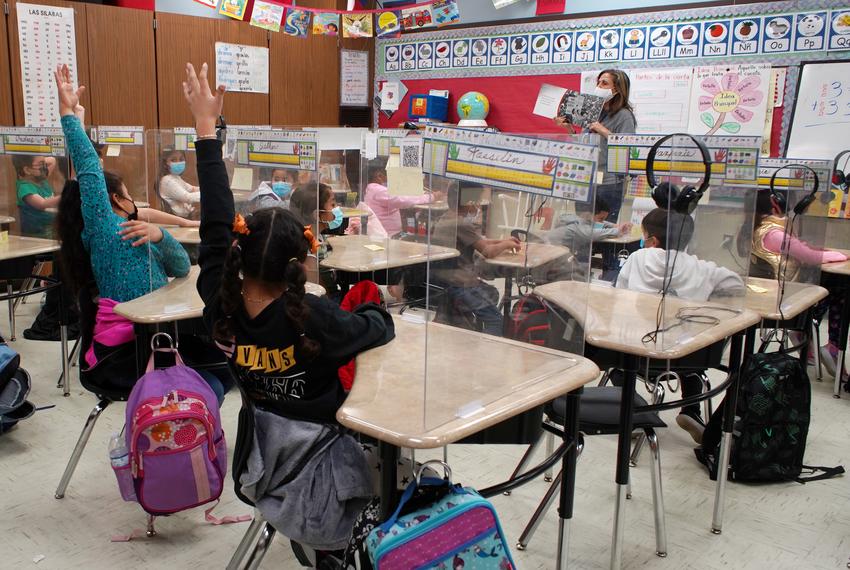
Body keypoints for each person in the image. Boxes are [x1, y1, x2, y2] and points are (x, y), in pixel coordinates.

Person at [184, 61, 392, 554]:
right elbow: (376, 328)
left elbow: (213, 223)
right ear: (300, 260)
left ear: (240, 252)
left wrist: (205, 129)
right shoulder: (315, 317)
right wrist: (373, 308)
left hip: (262, 456)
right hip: (325, 456)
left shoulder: (219, 304)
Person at [52, 64, 229, 401]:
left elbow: (179, 268)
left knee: (221, 374)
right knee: (216, 383)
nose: (134, 199)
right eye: (127, 193)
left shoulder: (140, 229)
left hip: (157, 334)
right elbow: (89, 171)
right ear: (114, 201)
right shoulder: (104, 231)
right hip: (126, 349)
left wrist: (161, 236)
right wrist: (69, 118)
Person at [617, 207, 745, 442]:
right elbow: (736, 285)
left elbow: (619, 294)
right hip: (687, 357)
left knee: (615, 363)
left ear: (652, 241)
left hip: (639, 355)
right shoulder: (702, 268)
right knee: (690, 352)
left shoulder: (638, 258)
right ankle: (691, 411)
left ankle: (633, 411)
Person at [744, 189, 848, 377]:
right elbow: (812, 257)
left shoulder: (758, 228)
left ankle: (815, 341)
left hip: (770, 293)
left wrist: (809, 247)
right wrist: (841, 255)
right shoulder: (775, 234)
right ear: (776, 204)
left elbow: (800, 249)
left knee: (833, 289)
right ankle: (830, 345)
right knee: (838, 291)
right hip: (784, 300)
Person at [555, 69, 636, 277]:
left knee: (607, 234)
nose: (599, 87)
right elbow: (583, 145)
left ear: (617, 89)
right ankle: (580, 275)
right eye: (598, 82)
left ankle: (609, 277)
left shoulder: (624, 115)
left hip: (610, 181)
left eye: (604, 83)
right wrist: (569, 130)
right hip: (585, 179)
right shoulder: (593, 112)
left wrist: (603, 130)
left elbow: (626, 147)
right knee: (583, 231)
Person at [431, 182, 521, 336]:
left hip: (446, 280)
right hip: (461, 284)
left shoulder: (447, 217)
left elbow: (480, 242)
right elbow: (488, 251)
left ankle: (474, 328)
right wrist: (506, 244)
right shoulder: (460, 224)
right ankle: (486, 352)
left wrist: (503, 241)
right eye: (477, 201)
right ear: (468, 202)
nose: (478, 206)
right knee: (495, 319)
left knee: (491, 292)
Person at [363, 157, 437, 237]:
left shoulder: (372, 189)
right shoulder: (378, 191)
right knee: (418, 242)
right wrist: (432, 197)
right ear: (379, 175)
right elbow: (404, 200)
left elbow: (400, 198)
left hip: (389, 233)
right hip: (389, 236)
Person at [289, 182, 342, 292]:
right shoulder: (307, 250)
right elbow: (319, 291)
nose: (337, 208)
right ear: (317, 214)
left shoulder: (316, 235)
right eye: (332, 205)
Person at [546, 197, 632, 262]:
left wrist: (615, 226)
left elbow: (598, 223)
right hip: (550, 253)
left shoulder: (577, 219)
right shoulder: (576, 226)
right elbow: (592, 234)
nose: (602, 222)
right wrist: (618, 230)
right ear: (587, 215)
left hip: (560, 252)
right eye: (601, 218)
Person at [13, 154, 61, 238]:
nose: (45, 167)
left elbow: (52, 160)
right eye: (41, 165)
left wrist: (39, 161)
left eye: (44, 164)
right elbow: (42, 204)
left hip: (50, 231)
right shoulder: (24, 187)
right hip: (36, 236)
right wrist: (66, 196)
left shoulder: (41, 179)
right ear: (27, 170)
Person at [158, 149, 200, 218]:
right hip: (176, 219)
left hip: (183, 217)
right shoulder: (167, 181)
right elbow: (187, 197)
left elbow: (192, 189)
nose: (178, 162)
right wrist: (208, 193)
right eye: (173, 160)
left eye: (181, 159)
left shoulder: (175, 177)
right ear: (165, 163)